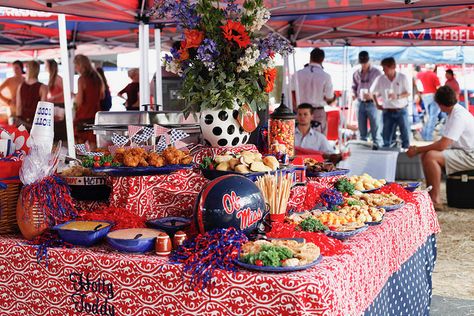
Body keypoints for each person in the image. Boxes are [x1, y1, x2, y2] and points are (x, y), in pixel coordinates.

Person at [407, 86, 474, 208]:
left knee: (431, 156)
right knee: (427, 154)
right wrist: (420, 150)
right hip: (465, 152)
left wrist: (417, 149)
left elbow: (442, 145)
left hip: (470, 155)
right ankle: (432, 196)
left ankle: (435, 200)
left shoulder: (458, 116)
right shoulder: (455, 112)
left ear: (440, 104)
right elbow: (443, 142)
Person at [291, 48, 335, 135]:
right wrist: (333, 98)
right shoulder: (326, 76)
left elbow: (292, 93)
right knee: (319, 140)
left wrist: (296, 108)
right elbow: (329, 98)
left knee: (300, 138)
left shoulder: (298, 74)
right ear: (322, 59)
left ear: (310, 57)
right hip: (318, 112)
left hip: (301, 111)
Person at [370, 57, 411, 149]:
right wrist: (376, 104)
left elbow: (408, 92)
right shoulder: (380, 78)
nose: (383, 70)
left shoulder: (402, 77)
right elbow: (372, 92)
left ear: (392, 67)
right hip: (387, 111)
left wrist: (397, 96)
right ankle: (386, 155)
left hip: (401, 109)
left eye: (385, 68)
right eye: (383, 68)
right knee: (386, 136)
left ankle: (407, 155)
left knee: (405, 135)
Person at [351, 51, 382, 149]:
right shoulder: (356, 73)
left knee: (375, 131)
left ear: (369, 61)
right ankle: (363, 151)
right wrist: (353, 94)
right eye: (362, 63)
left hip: (372, 103)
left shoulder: (377, 73)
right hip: (360, 103)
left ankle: (377, 151)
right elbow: (353, 87)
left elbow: (382, 89)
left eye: (365, 62)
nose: (363, 65)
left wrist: (372, 96)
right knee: (361, 132)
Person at [73, 54, 104, 146]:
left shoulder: (82, 79)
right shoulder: (98, 78)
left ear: (81, 65)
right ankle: (93, 160)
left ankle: (80, 160)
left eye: (76, 65)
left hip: (84, 114)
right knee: (94, 143)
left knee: (79, 144)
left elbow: (79, 101)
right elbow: (102, 96)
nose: (75, 68)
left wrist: (75, 99)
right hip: (96, 114)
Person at [15, 60, 47, 130]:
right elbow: (43, 109)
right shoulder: (43, 87)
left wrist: (18, 120)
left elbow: (18, 107)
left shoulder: (21, 86)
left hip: (22, 121)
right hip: (36, 122)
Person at [417, 64, 441, 141]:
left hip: (425, 96)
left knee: (429, 117)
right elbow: (438, 88)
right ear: (433, 68)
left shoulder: (421, 74)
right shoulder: (434, 75)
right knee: (433, 117)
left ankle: (424, 134)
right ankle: (428, 136)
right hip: (433, 96)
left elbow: (418, 85)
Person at [45, 59, 66, 142]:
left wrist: (54, 97)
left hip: (59, 105)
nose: (45, 67)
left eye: (46, 65)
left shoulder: (57, 78)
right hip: (55, 105)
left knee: (58, 128)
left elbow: (65, 91)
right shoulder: (52, 77)